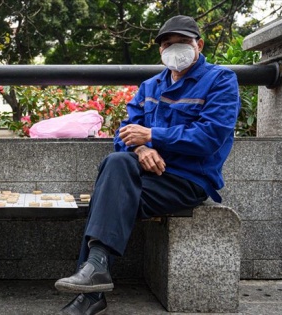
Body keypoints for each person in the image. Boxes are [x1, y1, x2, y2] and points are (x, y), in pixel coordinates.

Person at [54, 15, 240, 315]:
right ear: (160, 51)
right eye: (168, 44)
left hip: (186, 181)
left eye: (182, 43)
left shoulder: (221, 80)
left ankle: (91, 291)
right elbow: (124, 133)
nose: (174, 49)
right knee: (116, 164)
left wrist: (153, 135)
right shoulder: (150, 86)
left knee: (109, 188)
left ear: (199, 44)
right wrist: (141, 149)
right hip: (143, 177)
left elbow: (209, 137)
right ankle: (94, 275)